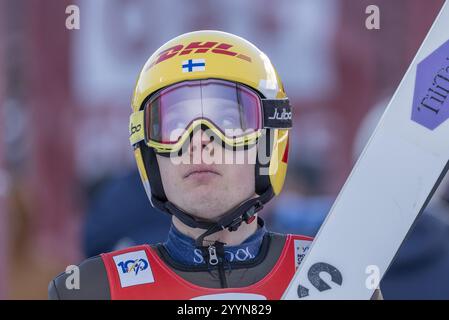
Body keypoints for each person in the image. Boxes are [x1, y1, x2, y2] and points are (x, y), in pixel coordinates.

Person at [48, 30, 380, 300]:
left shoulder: (338, 275)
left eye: (228, 120)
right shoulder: (91, 290)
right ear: (149, 155)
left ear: (268, 142)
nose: (199, 141)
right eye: (175, 124)